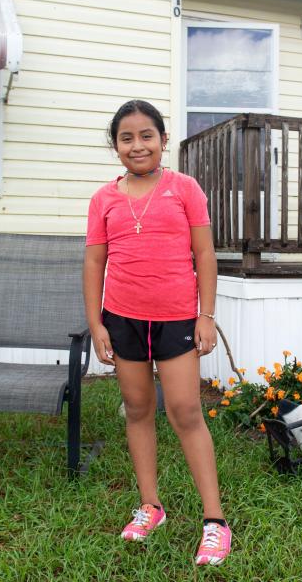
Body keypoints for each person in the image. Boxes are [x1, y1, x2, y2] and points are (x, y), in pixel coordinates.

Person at [83, 100, 231, 566]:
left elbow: (205, 255)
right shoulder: (104, 199)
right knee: (138, 409)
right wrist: (96, 324)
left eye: (147, 135)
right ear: (115, 147)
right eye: (126, 138)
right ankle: (151, 505)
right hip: (122, 319)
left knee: (186, 411)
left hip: (176, 320)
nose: (137, 145)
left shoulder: (185, 189)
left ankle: (214, 521)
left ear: (164, 140)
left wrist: (205, 315)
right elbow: (94, 262)